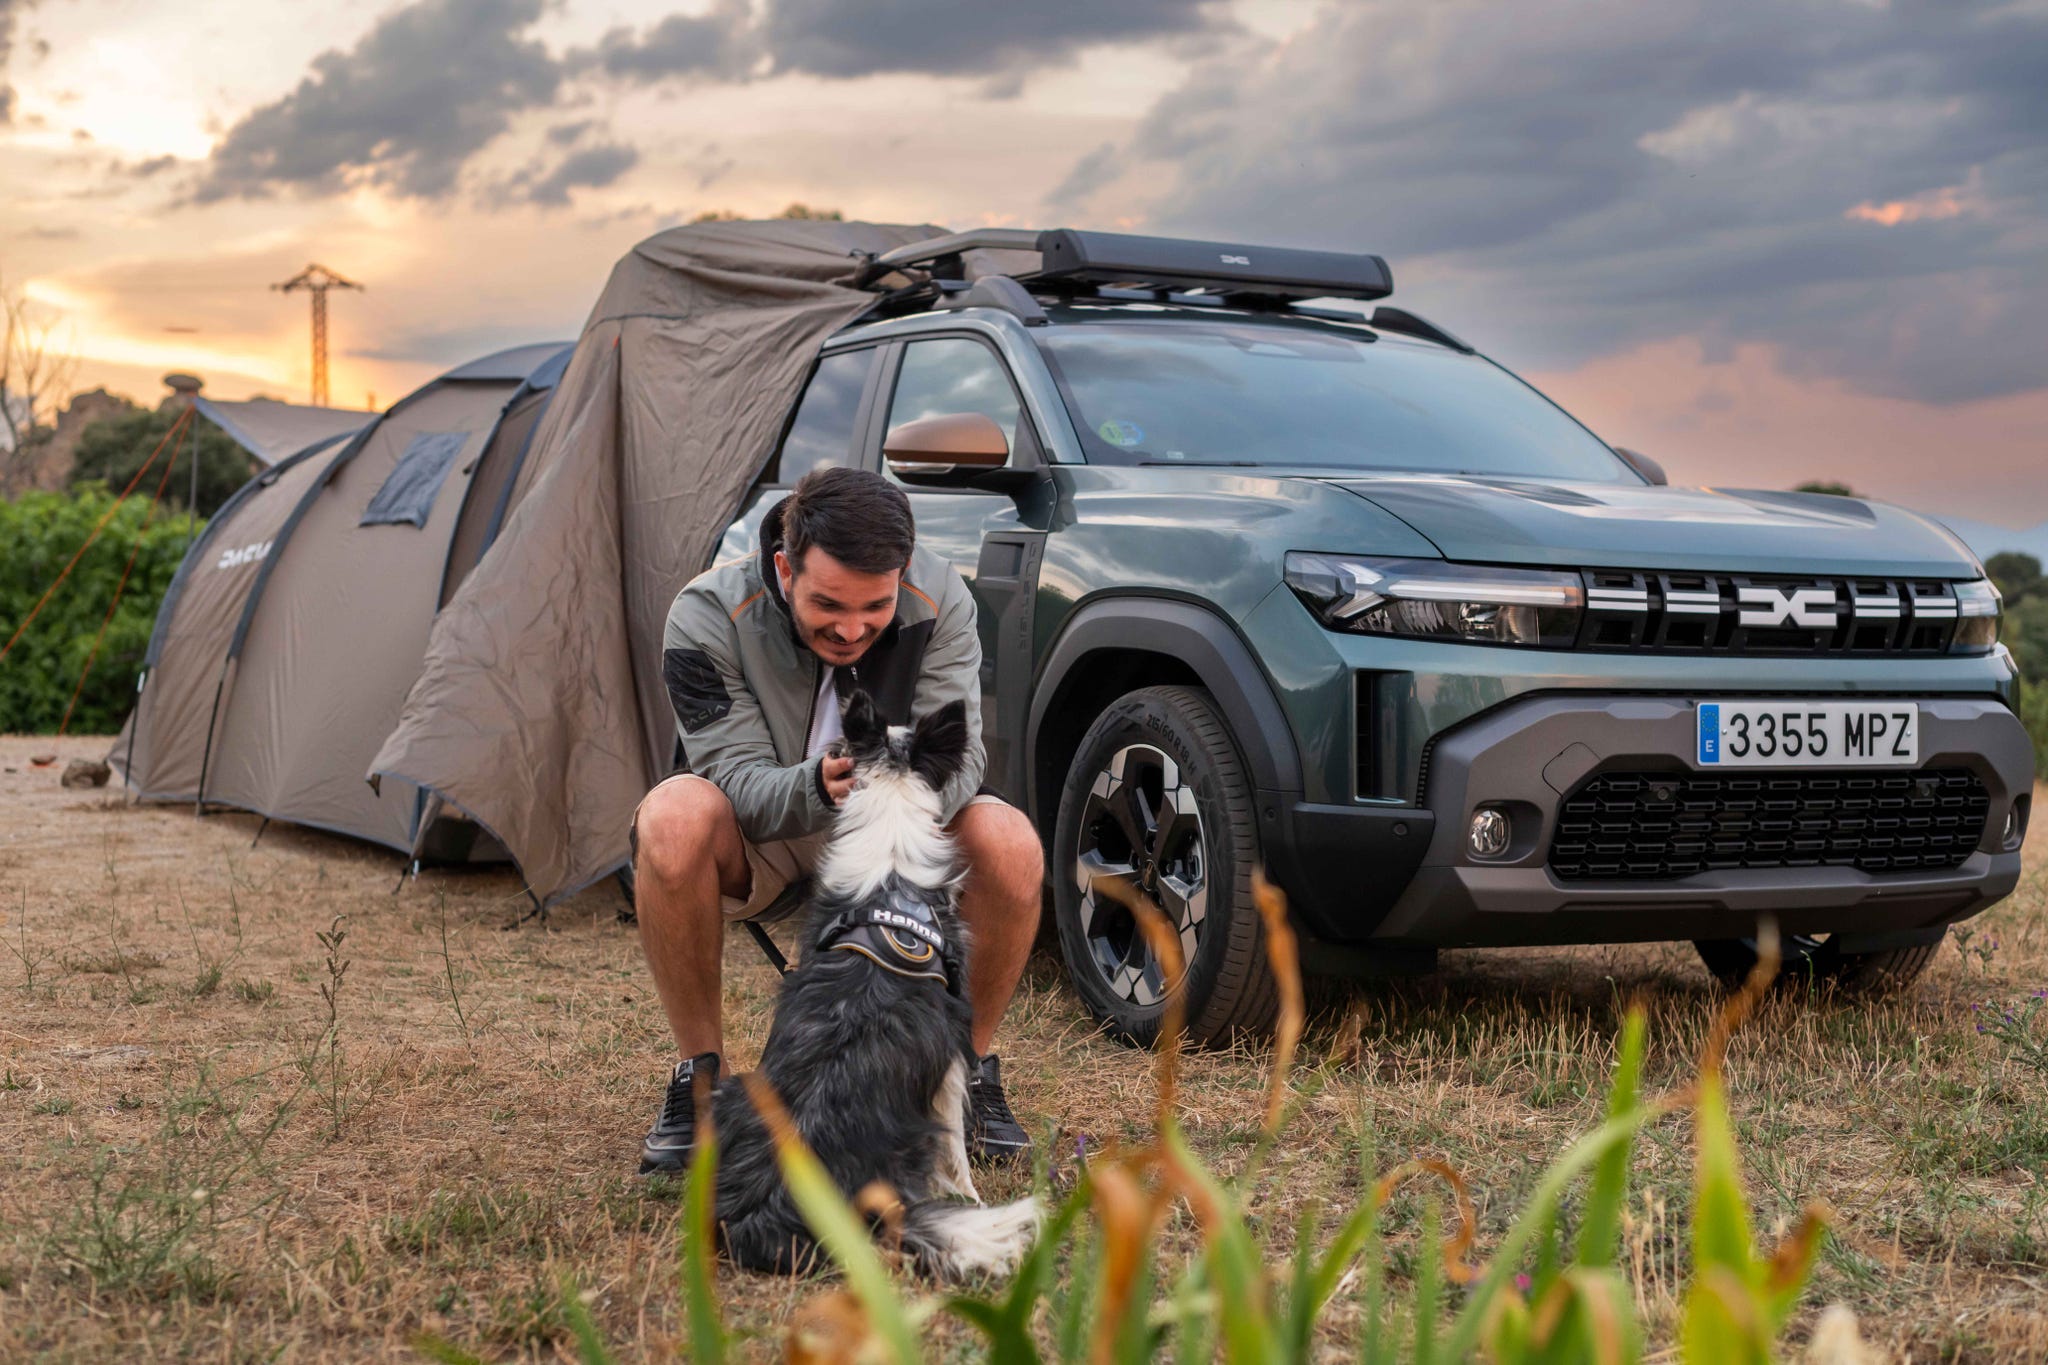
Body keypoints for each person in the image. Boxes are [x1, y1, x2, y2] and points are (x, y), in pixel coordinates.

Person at [631, 466, 1042, 1174]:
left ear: (904, 571)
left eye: (875, 607)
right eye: (827, 603)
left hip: (900, 829)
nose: (851, 629)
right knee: (671, 814)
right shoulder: (703, 616)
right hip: (771, 834)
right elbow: (731, 777)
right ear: (786, 567)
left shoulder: (941, 597)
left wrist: (892, 805)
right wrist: (819, 785)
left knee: (1009, 841)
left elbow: (963, 752)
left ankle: (962, 1075)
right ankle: (703, 1079)